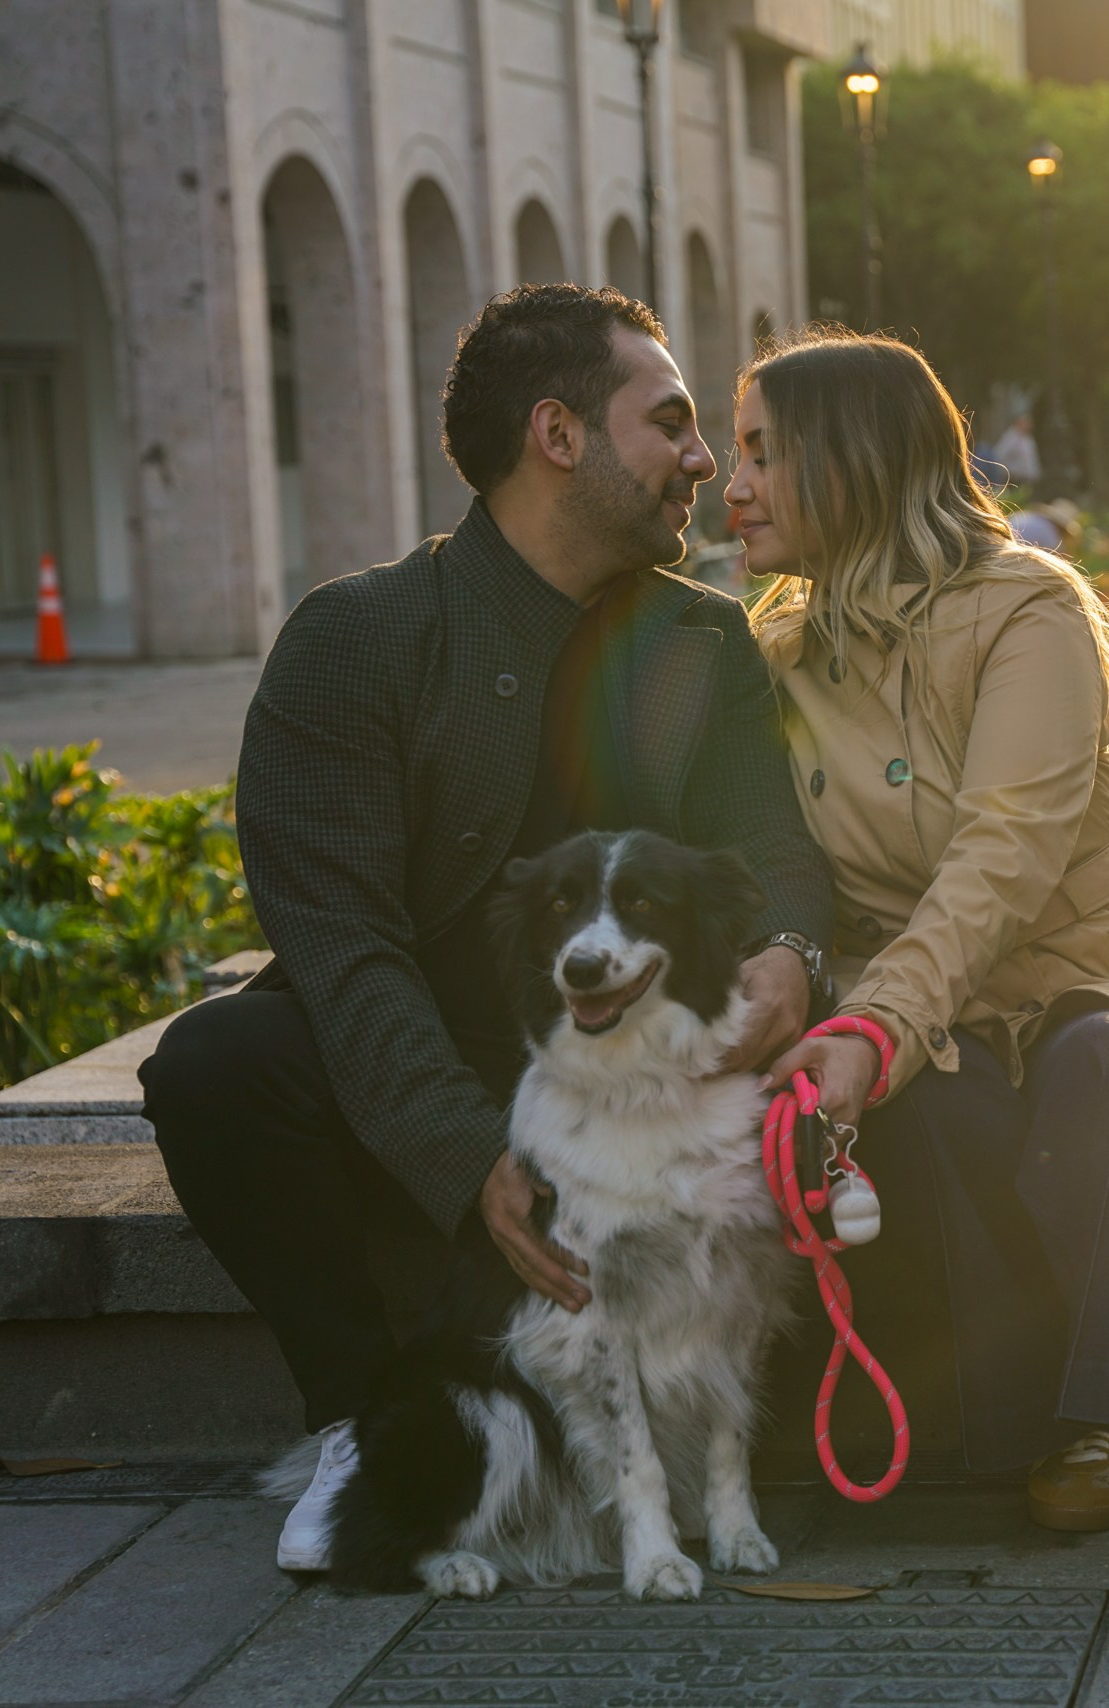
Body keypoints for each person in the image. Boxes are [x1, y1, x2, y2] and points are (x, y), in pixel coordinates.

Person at [141, 284, 834, 1573]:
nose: (702, 457)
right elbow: (341, 952)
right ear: (558, 434)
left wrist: (793, 956)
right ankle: (368, 1422)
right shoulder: (353, 640)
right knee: (216, 1068)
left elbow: (776, 854)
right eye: (671, 421)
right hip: (420, 1072)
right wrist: (475, 1160)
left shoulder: (702, 639)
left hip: (642, 1090)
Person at [727, 329, 1109, 1658]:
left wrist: (870, 1023)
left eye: (758, 451)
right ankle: (1069, 1417)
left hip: (1087, 982)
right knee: (937, 1097)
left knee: (1106, 1069)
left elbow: (1000, 860)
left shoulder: (1025, 609)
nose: (726, 485)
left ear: (849, 458)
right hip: (929, 1026)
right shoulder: (778, 652)